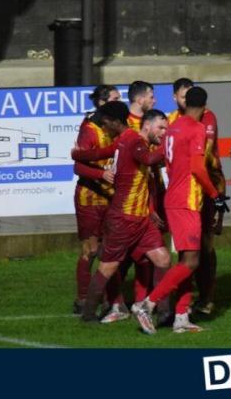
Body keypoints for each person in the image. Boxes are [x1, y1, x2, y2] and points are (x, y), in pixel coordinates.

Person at [131, 87, 230, 335]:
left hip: (175, 199)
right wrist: (216, 195)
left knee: (188, 261)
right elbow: (198, 167)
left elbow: (161, 157)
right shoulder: (196, 129)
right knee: (192, 260)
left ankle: (181, 316)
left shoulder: (173, 127)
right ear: (204, 107)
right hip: (186, 201)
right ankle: (147, 304)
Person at [72, 103, 172, 324]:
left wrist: (78, 154)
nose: (164, 133)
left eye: (167, 130)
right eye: (161, 129)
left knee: (163, 259)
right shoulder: (135, 141)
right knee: (109, 266)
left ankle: (164, 312)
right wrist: (170, 144)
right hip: (124, 218)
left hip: (140, 219)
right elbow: (149, 160)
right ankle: (88, 314)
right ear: (147, 127)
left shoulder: (127, 139)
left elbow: (103, 153)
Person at [167, 77, 226, 316]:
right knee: (185, 249)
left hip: (209, 185)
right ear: (176, 98)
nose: (186, 99)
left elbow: (204, 157)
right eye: (183, 95)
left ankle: (207, 297)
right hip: (184, 191)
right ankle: (180, 301)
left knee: (205, 245)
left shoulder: (207, 118)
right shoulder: (172, 120)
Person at [72, 85, 120, 316]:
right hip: (89, 198)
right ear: (102, 104)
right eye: (115, 99)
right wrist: (102, 174)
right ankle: (83, 299)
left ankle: (112, 301)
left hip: (110, 197)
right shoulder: (90, 129)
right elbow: (78, 165)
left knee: (110, 250)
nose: (120, 104)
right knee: (90, 250)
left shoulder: (118, 126)